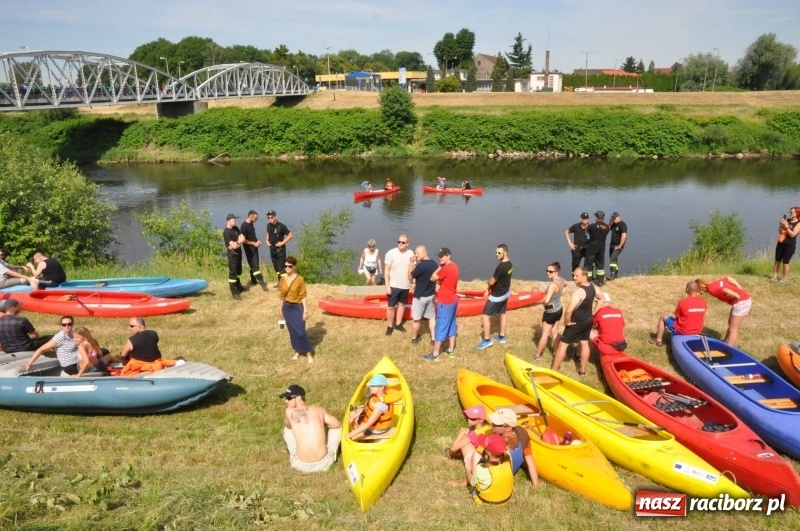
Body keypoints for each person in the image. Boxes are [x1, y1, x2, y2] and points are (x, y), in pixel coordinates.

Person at [551, 267, 603, 375]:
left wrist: (566, 321)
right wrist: (593, 313)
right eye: (573, 275)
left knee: (562, 345)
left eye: (576, 276)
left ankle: (554, 370)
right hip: (588, 321)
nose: (574, 278)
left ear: (584, 277)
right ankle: (582, 371)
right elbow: (601, 298)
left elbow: (569, 310)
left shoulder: (579, 292)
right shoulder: (593, 286)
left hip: (576, 322)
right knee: (584, 343)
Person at [280, 384, 342, 473]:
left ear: (298, 398)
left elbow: (288, 425)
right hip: (324, 463)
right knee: (338, 427)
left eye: (289, 398)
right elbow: (336, 424)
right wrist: (321, 424)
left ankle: (294, 453)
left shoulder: (289, 411)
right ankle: (329, 451)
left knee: (287, 429)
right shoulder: (318, 409)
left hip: (300, 465)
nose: (285, 401)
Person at [449, 433, 514, 506]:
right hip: (505, 499)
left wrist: (468, 470)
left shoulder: (482, 469)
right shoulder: (508, 458)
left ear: (489, 452)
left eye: (485, 447)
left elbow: (472, 483)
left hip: (485, 500)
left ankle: (463, 482)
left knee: (475, 454)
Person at [424, 247, 459, 362]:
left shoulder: (446, 268)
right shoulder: (455, 266)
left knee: (440, 326)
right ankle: (450, 350)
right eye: (439, 256)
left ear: (448, 256)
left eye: (442, 256)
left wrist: (439, 267)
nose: (440, 258)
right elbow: (445, 280)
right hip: (453, 300)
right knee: (452, 325)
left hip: (445, 301)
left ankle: (435, 354)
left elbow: (432, 278)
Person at [487, 408, 539, 486]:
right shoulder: (521, 433)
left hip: (498, 473)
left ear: (508, 428)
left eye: (496, 424)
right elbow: (530, 461)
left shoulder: (501, 444)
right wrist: (536, 485)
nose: (492, 425)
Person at [476, 244, 513, 350]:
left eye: (499, 253)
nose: (496, 254)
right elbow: (501, 280)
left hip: (497, 296)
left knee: (485, 316)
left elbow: (492, 281)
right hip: (505, 293)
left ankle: (487, 340)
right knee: (503, 313)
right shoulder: (509, 264)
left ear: (505, 253)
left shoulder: (501, 267)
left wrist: (488, 283)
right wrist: (488, 289)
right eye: (495, 252)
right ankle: (502, 337)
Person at [696, 277, 751, 347]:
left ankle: (728, 348)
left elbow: (725, 290)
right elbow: (729, 279)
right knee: (730, 325)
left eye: (697, 291)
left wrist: (736, 296)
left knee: (733, 328)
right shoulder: (712, 284)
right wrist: (740, 289)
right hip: (743, 300)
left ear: (700, 289)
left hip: (741, 302)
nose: (698, 293)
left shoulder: (712, 290)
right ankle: (724, 344)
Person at [278, 256, 314, 363]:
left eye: (290, 266)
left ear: (294, 266)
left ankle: (308, 353)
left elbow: (303, 296)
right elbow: (281, 296)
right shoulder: (282, 279)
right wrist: (280, 309)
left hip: (297, 307)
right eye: (285, 266)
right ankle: (297, 351)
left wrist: (305, 311)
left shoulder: (299, 279)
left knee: (301, 332)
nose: (287, 268)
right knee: (292, 332)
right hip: (286, 308)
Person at [650, 281, 708, 346]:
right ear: (697, 289)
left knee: (662, 316)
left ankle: (658, 340)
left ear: (687, 289)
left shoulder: (682, 302)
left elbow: (677, 318)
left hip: (683, 330)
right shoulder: (703, 302)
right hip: (697, 330)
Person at [347, 374, 398, 440]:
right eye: (371, 385)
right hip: (375, 426)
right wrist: (353, 417)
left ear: (382, 387)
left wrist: (353, 433)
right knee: (356, 412)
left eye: (373, 386)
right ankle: (360, 430)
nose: (370, 387)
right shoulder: (376, 397)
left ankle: (361, 435)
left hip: (375, 430)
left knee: (353, 414)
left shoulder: (380, 405)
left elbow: (369, 423)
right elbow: (365, 410)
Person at [534, 262, 566, 360]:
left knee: (545, 334)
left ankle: (537, 355)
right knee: (555, 332)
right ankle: (557, 352)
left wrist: (542, 303)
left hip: (550, 312)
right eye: (547, 271)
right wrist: (560, 295)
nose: (548, 273)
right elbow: (567, 285)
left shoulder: (552, 285)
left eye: (551, 271)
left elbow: (547, 301)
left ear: (556, 272)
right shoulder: (561, 279)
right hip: (559, 309)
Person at [383, 234, 414, 335]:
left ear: (407, 244)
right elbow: (387, 270)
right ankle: (389, 326)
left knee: (402, 304)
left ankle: (398, 324)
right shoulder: (391, 253)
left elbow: (412, 269)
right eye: (399, 242)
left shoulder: (411, 253)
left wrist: (414, 282)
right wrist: (387, 285)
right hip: (393, 285)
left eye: (403, 242)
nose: (400, 244)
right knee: (391, 307)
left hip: (405, 285)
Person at [409, 245, 437, 345]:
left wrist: (411, 262)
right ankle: (433, 339)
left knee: (416, 319)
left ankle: (414, 339)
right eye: (415, 253)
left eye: (418, 253)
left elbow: (410, 276)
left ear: (425, 253)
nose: (416, 255)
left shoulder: (421, 266)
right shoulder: (434, 264)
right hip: (431, 295)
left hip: (420, 296)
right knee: (431, 317)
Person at [240, 210, 268, 291]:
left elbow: (252, 236)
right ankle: (262, 283)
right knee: (255, 266)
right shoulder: (244, 226)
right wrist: (253, 243)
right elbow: (243, 240)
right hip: (249, 250)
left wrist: (257, 241)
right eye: (256, 218)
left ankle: (253, 281)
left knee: (255, 264)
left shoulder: (251, 224)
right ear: (251, 217)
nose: (256, 219)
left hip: (254, 248)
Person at [265, 210, 293, 288]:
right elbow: (268, 232)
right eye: (268, 217)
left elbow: (290, 235)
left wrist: (282, 243)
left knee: (281, 268)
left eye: (271, 217)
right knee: (276, 268)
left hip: (280, 250)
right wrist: (267, 240)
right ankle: (280, 282)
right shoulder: (268, 225)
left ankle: (285, 285)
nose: (270, 219)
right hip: (272, 249)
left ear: (275, 217)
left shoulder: (281, 226)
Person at [223, 213, 247, 300]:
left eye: (236, 220)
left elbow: (243, 238)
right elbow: (234, 246)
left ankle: (238, 286)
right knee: (233, 272)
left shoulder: (236, 228)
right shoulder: (226, 232)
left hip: (238, 252)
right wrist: (237, 243)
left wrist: (237, 243)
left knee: (239, 270)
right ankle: (234, 292)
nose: (236, 222)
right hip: (232, 254)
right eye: (234, 220)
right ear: (229, 221)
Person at [773, 206, 800, 282]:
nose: (790, 213)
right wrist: (781, 226)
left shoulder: (798, 223)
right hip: (781, 242)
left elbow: (793, 234)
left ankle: (784, 278)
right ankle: (774, 276)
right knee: (777, 260)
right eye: (789, 211)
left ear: (797, 213)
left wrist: (787, 227)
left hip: (789, 245)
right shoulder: (787, 220)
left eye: (791, 212)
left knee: (785, 261)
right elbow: (780, 232)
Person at [586, 211, 610, 286]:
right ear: (603, 217)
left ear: (596, 217)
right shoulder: (607, 227)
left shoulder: (592, 226)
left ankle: (588, 280)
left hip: (592, 245)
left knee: (589, 262)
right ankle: (600, 281)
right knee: (600, 263)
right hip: (602, 246)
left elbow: (587, 232)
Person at [608, 212, 627, 280]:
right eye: (612, 219)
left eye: (614, 219)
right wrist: (610, 223)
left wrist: (620, 245)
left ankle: (612, 274)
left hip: (618, 245)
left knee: (612, 258)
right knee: (614, 259)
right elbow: (608, 229)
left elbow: (624, 236)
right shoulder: (614, 224)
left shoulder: (622, 225)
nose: (614, 220)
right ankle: (615, 274)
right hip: (612, 245)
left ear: (619, 217)